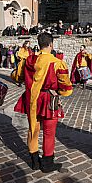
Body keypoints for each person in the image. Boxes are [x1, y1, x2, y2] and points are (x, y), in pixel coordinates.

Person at [14, 32, 73, 172]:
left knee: (33, 129)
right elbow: (66, 86)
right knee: (49, 131)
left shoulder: (28, 60)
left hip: (32, 98)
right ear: (51, 44)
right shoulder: (57, 63)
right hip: (48, 99)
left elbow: (17, 76)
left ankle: (34, 161)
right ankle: (47, 163)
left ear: (39, 44)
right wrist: (60, 92)